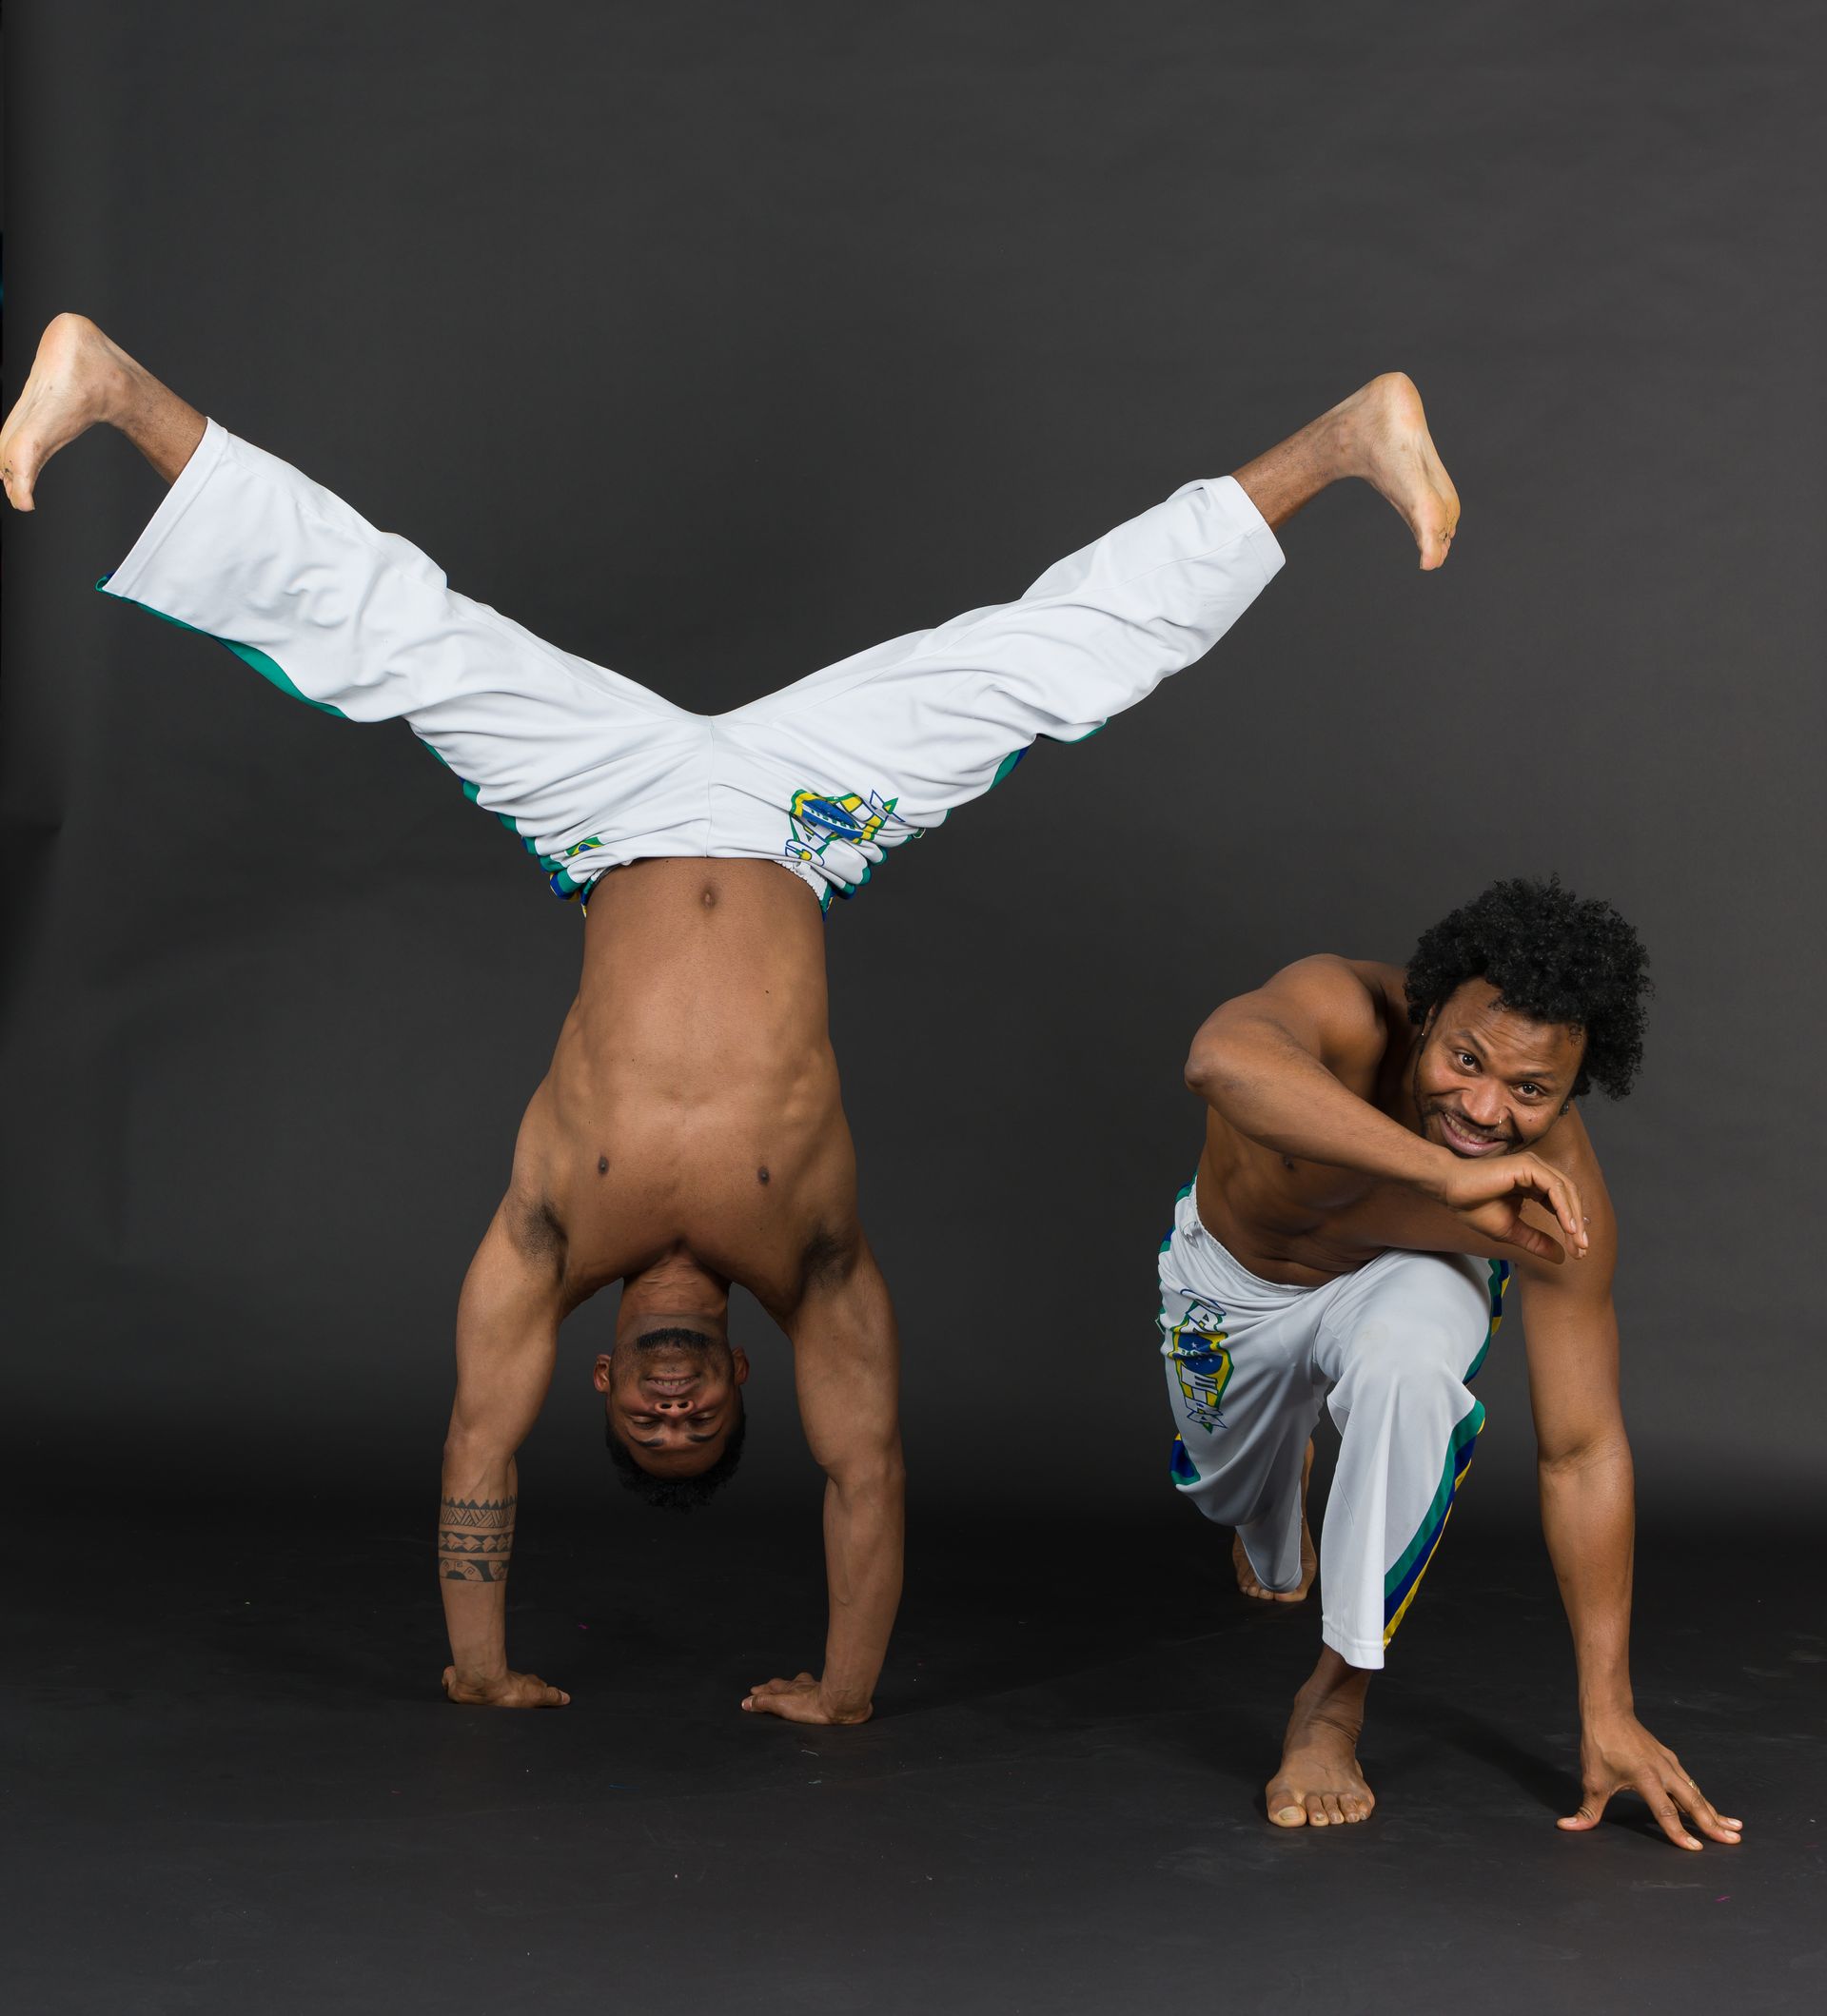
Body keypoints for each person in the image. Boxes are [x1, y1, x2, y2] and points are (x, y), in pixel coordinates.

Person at [3, 312, 1460, 1729]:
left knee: (404, 633)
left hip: (604, 812)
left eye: (652, 1423)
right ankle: (1344, 441)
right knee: (1043, 662)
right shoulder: (814, 1262)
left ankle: (121, 392)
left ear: (608, 1378)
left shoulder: (544, 1239)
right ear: (746, 1375)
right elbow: (867, 1474)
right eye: (701, 1423)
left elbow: (475, 1452)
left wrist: (477, 1660)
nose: (678, 1408)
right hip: (802, 824)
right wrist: (846, 1686)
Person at [1164, 877, 1742, 1848]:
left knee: (1410, 1365)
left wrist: (1608, 1707)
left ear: (1571, 1090)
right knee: (1232, 1498)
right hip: (1233, 1288)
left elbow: (1584, 1449)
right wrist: (1446, 1175)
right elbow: (1219, 1059)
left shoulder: (1558, 1202)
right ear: (1425, 1011)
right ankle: (1271, 1499)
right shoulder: (1344, 1009)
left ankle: (1333, 1704)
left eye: (1530, 1091)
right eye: (1464, 1058)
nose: (1483, 1107)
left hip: (1406, 1279)